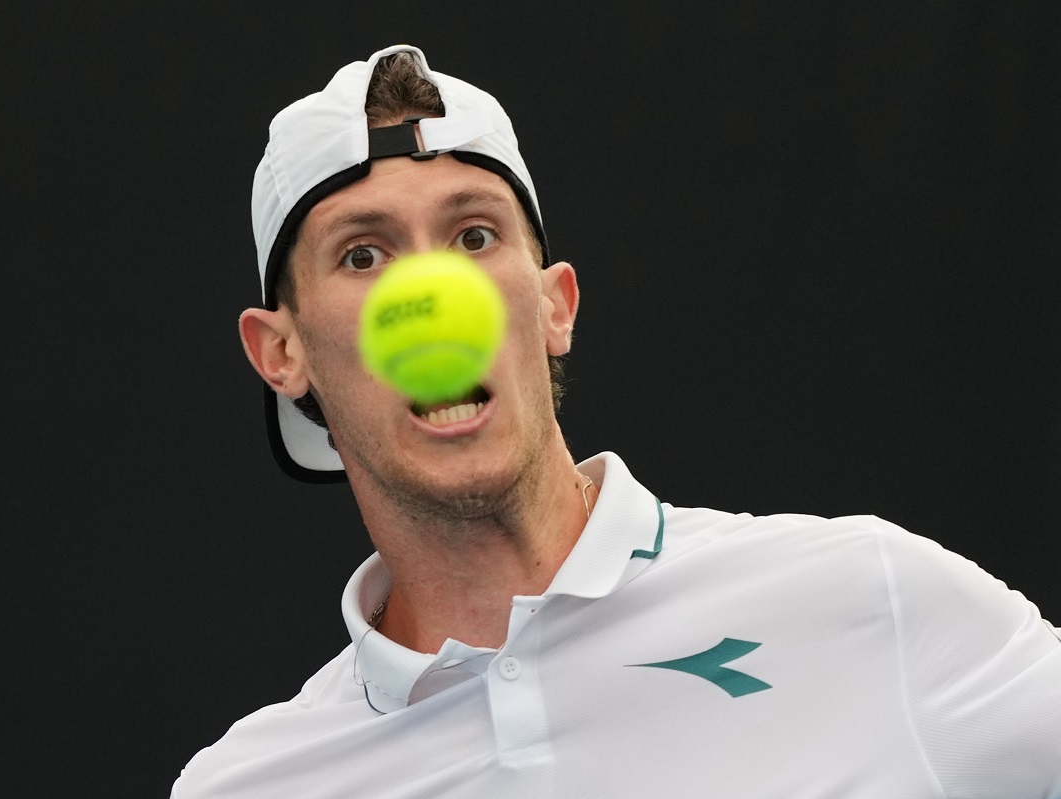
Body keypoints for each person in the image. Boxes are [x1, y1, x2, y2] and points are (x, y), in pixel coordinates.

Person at [172, 45, 1061, 798]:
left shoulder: (872, 598)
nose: (433, 303)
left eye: (474, 237)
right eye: (363, 253)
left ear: (555, 305)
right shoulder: (249, 782)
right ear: (280, 352)